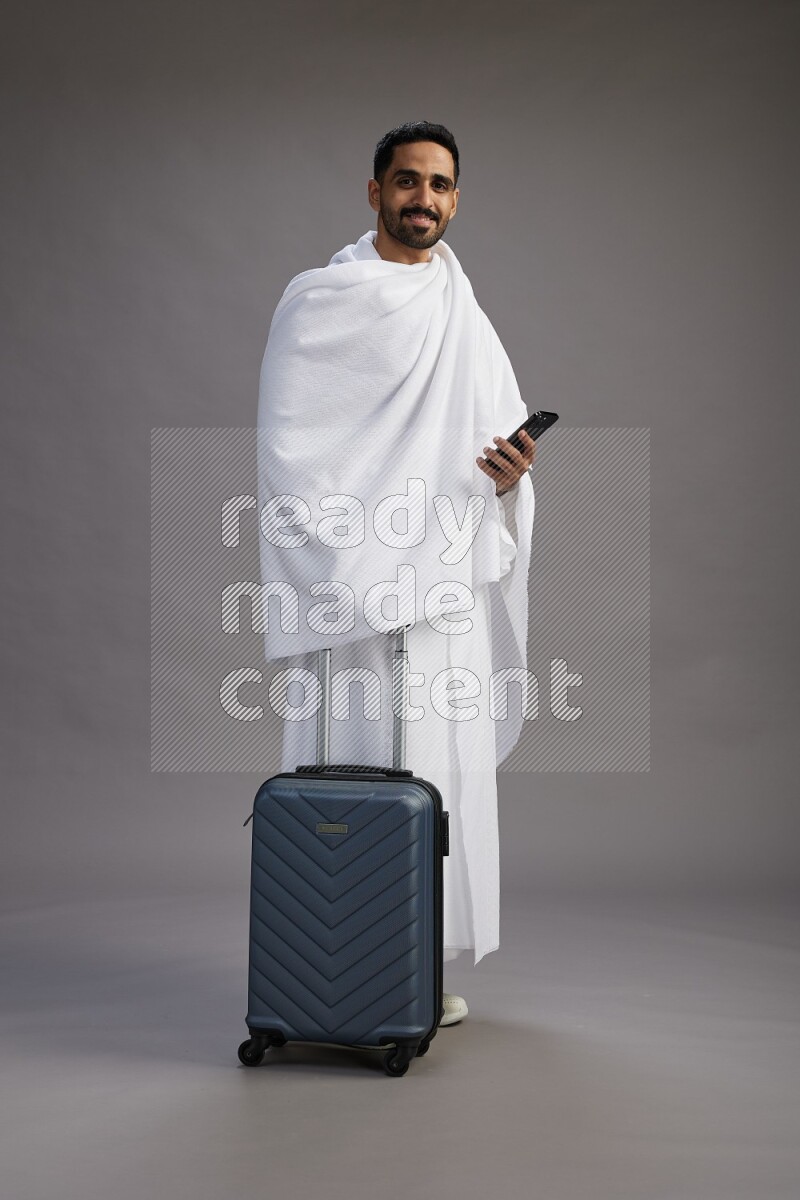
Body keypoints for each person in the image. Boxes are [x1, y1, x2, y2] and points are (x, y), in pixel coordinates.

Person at [256, 121, 536, 1028]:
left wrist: (508, 475)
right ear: (373, 190)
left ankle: (406, 965)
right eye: (408, 181)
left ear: (456, 199)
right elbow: (293, 451)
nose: (425, 199)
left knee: (435, 772)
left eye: (442, 185)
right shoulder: (320, 300)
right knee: (356, 761)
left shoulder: (463, 305)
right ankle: (333, 969)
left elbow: (490, 439)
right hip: (354, 593)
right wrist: (360, 559)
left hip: (441, 585)